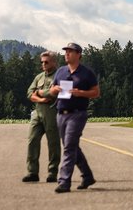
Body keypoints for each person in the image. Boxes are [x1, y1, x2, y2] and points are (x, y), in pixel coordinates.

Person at [49, 42, 99, 193]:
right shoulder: (60, 72)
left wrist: (81, 93)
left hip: (77, 114)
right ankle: (88, 176)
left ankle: (64, 182)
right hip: (61, 114)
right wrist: (55, 89)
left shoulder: (86, 73)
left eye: (70, 51)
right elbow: (51, 91)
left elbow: (96, 92)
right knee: (72, 147)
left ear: (78, 55)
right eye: (66, 51)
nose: (67, 54)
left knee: (69, 147)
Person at [22, 50, 61, 183]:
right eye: (42, 62)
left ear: (54, 62)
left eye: (46, 62)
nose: (43, 64)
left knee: (53, 143)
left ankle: (52, 172)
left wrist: (39, 92)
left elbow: (56, 92)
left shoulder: (60, 76)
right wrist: (41, 99)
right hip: (37, 113)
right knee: (32, 141)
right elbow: (29, 93)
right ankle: (32, 172)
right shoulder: (39, 77)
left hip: (52, 113)